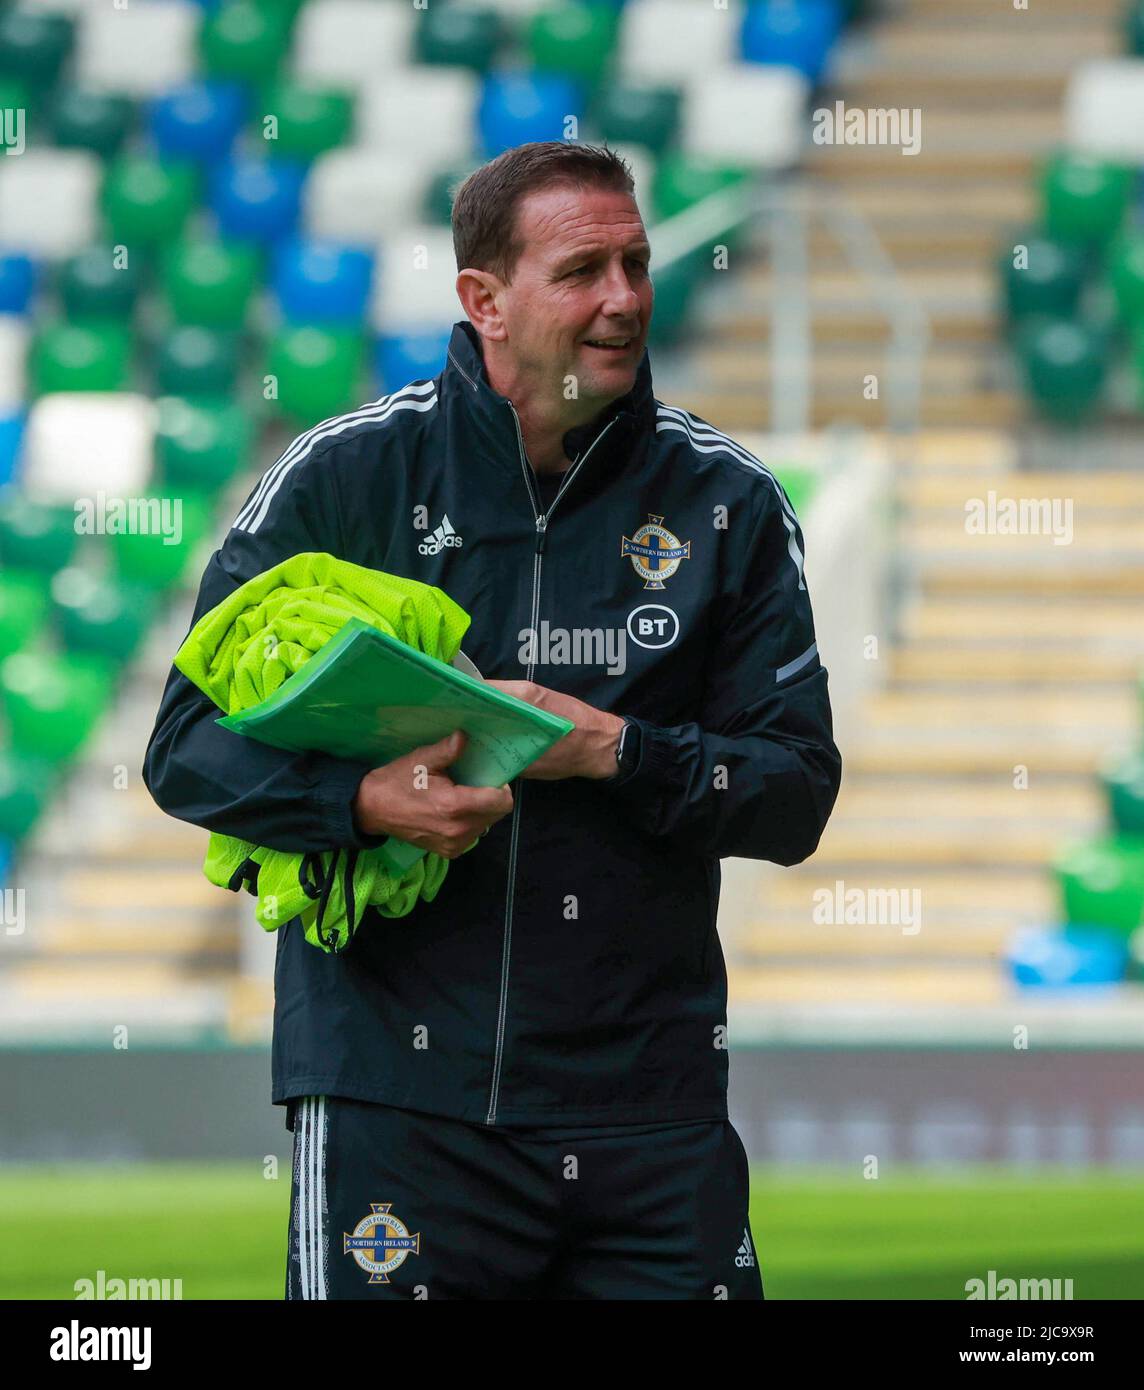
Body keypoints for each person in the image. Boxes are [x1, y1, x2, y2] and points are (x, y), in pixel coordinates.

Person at [142, 140, 843, 1300]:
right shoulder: (342, 478)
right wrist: (359, 801)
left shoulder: (729, 503)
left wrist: (612, 750)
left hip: (648, 1109)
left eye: (635, 263)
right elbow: (185, 749)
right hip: (398, 1104)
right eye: (581, 271)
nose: (622, 299)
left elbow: (795, 792)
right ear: (485, 301)